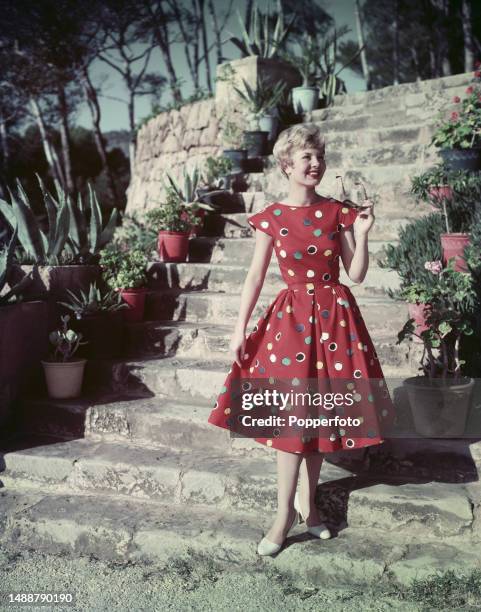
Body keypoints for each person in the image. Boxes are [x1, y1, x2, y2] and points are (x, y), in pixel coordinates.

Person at [207, 123, 396, 556]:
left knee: (320, 418)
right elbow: (254, 276)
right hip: (290, 323)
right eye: (306, 157)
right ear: (286, 165)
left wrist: (363, 235)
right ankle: (283, 515)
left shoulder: (338, 212)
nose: (315, 164)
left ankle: (309, 510)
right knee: (292, 421)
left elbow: (357, 273)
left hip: (336, 321)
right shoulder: (271, 217)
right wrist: (239, 328)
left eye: (319, 157)